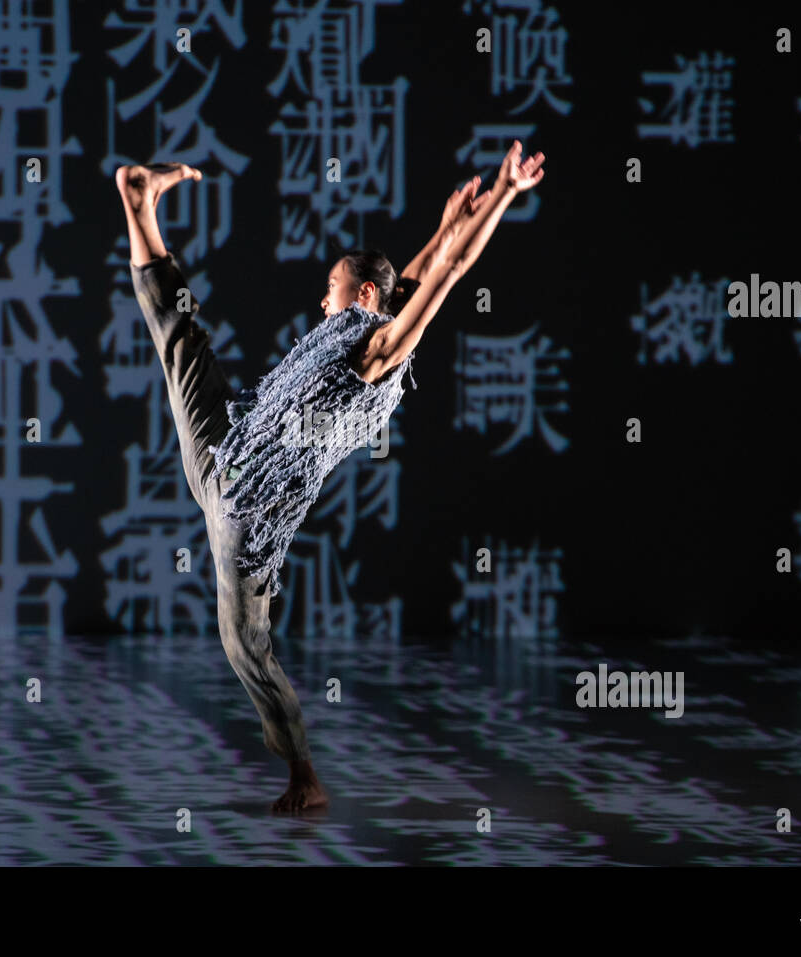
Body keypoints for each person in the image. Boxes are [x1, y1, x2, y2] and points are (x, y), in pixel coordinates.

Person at [117, 141, 546, 811]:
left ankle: (303, 776)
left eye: (332, 290)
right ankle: (141, 202)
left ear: (363, 296)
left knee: (246, 649)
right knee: (183, 337)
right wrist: (447, 221)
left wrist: (505, 198)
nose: (322, 302)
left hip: (242, 515)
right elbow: (423, 268)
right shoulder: (361, 322)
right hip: (225, 451)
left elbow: (447, 275)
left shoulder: (375, 354)